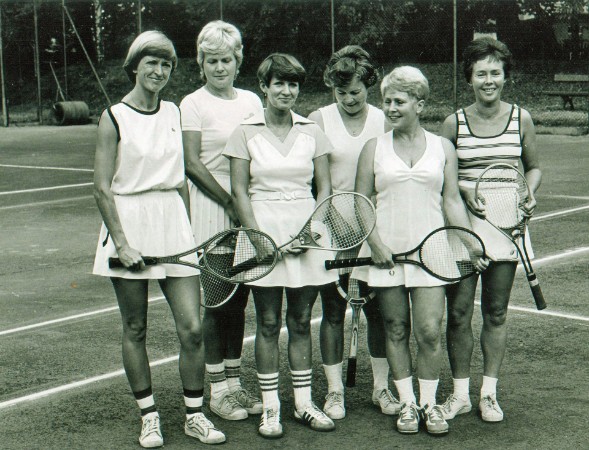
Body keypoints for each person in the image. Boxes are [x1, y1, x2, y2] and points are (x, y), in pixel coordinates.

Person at [92, 31, 225, 447]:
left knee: (192, 328)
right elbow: (102, 188)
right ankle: (149, 416)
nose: (159, 71)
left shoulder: (173, 111)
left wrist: (188, 233)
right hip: (129, 224)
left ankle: (194, 415)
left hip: (173, 224)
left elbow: (182, 178)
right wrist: (122, 243)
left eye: (166, 64)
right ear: (135, 66)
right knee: (135, 327)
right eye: (151, 62)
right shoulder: (113, 116)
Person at [353, 66, 488, 436]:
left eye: (400, 101)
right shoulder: (373, 148)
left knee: (429, 330)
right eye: (387, 101)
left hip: (432, 253)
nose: (391, 108)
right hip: (386, 254)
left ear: (420, 104)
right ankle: (408, 404)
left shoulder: (443, 148)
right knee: (396, 328)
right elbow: (361, 201)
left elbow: (451, 201)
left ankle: (429, 404)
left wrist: (470, 243)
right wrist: (375, 244)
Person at [224, 53, 337, 439]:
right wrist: (259, 239)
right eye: (279, 84)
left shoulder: (312, 131)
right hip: (262, 232)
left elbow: (324, 188)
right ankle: (271, 408)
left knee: (301, 320)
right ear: (264, 87)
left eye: (293, 84)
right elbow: (239, 191)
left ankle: (303, 404)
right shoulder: (244, 132)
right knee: (269, 322)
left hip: (306, 232)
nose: (287, 91)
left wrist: (312, 232)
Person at [440, 37, 541, 423]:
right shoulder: (453, 123)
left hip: (506, 223)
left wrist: (529, 192)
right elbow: (441, 177)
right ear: (469, 78)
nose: (488, 80)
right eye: (480, 73)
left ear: (505, 77)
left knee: (496, 311)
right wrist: (465, 192)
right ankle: (459, 395)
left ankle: (489, 395)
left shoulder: (521, 119)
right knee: (458, 313)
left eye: (495, 73)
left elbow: (533, 168)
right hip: (463, 225)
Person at [307, 45, 400, 420]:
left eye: (356, 92)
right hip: (332, 228)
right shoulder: (318, 120)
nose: (348, 99)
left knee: (378, 312)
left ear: (369, 86)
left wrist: (370, 234)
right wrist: (339, 230)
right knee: (332, 311)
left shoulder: (384, 120)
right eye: (341, 92)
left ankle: (381, 388)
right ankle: (334, 392)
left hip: (376, 229)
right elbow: (319, 185)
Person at [179, 20, 264, 422]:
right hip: (212, 209)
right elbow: (192, 163)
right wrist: (229, 201)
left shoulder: (251, 101)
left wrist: (245, 206)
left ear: (237, 61)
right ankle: (216, 391)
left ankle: (234, 382)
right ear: (201, 63)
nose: (219, 67)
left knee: (238, 303)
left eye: (225, 60)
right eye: (211, 60)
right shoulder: (192, 103)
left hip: (245, 207)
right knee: (216, 303)